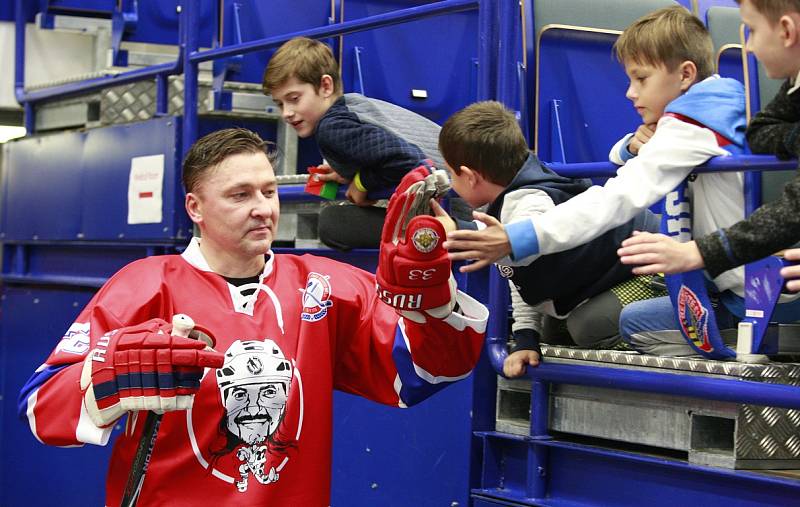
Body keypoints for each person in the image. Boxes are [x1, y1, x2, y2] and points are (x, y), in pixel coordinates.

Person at [18, 128, 488, 506]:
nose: (263, 208)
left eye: (267, 191)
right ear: (195, 208)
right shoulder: (145, 285)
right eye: (240, 195)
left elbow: (424, 374)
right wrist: (112, 372)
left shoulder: (324, 286)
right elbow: (39, 410)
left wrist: (431, 301)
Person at [444, 6, 752, 356]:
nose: (630, 93)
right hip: (746, 281)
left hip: (745, 296)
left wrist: (517, 236)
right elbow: (626, 157)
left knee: (616, 324)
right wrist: (631, 147)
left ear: (685, 75)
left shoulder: (692, 125)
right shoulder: (722, 106)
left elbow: (615, 198)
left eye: (641, 79)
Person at [433, 101, 662, 377]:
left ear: (470, 177)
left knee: (585, 327)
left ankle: (694, 328)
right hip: (609, 276)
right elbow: (519, 275)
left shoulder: (531, 200)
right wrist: (526, 337)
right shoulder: (501, 204)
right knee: (556, 329)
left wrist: (457, 229)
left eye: (451, 173)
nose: (451, 184)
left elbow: (522, 248)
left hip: (653, 266)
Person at [618, 0, 800, 293]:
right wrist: (629, 147)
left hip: (741, 283)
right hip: (734, 270)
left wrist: (697, 253)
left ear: (787, 31)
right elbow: (762, 130)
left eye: (751, 30)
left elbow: (796, 208)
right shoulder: (786, 86)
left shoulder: (692, 121)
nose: (748, 48)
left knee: (599, 324)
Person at [262, 36, 445, 250]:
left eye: (294, 99)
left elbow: (413, 162)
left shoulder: (331, 128)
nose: (286, 113)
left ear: (325, 86)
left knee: (332, 222)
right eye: (279, 104)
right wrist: (349, 172)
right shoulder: (354, 104)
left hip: (450, 214)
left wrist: (362, 182)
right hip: (469, 202)